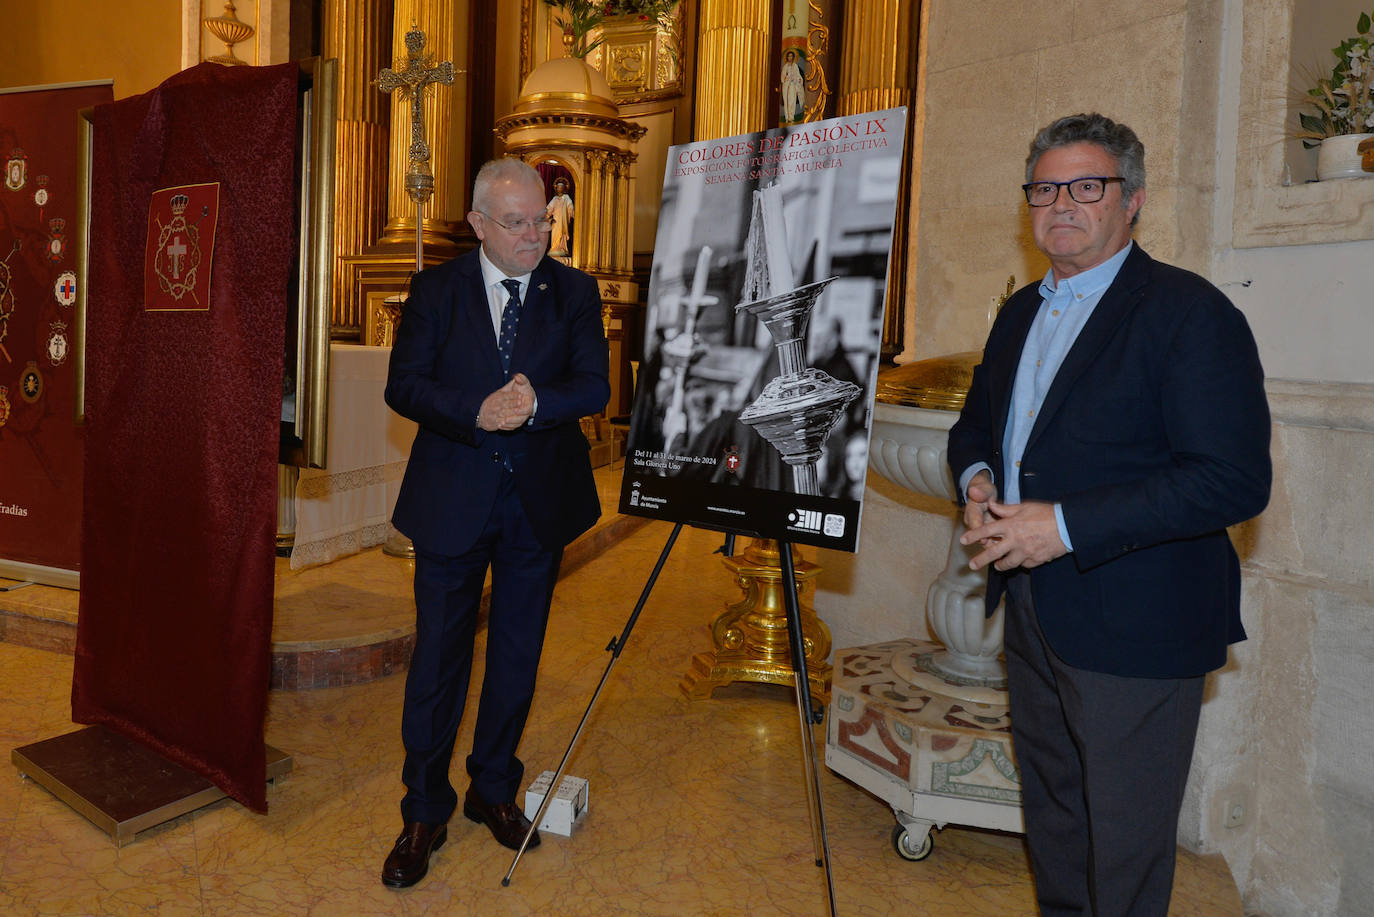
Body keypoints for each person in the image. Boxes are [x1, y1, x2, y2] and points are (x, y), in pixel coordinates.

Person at [946, 113, 1271, 916]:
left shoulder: (1189, 313)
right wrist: (979, 478)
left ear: (1134, 200)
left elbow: (1231, 480)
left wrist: (1059, 525)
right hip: (1033, 607)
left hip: (1138, 618)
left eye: (1087, 186)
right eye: (1045, 188)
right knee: (1056, 820)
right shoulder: (1019, 312)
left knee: (1124, 844)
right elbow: (976, 425)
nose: (1062, 204)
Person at [380, 157, 610, 889]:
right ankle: (424, 810)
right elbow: (404, 385)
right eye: (516, 223)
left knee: (516, 654)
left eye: (541, 220)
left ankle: (492, 788)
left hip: (536, 503)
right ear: (478, 224)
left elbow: (594, 386)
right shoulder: (435, 290)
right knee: (438, 661)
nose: (534, 235)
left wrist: (537, 403)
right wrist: (474, 410)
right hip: (453, 499)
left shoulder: (573, 291)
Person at [545, 176, 573, 257]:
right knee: (555, 236)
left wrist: (574, 214)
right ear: (556, 189)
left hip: (563, 221)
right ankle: (554, 249)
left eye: (561, 188)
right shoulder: (554, 199)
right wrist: (547, 217)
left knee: (562, 235)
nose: (560, 189)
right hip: (556, 221)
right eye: (558, 188)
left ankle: (562, 248)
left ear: (564, 189)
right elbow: (549, 209)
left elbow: (570, 208)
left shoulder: (566, 198)